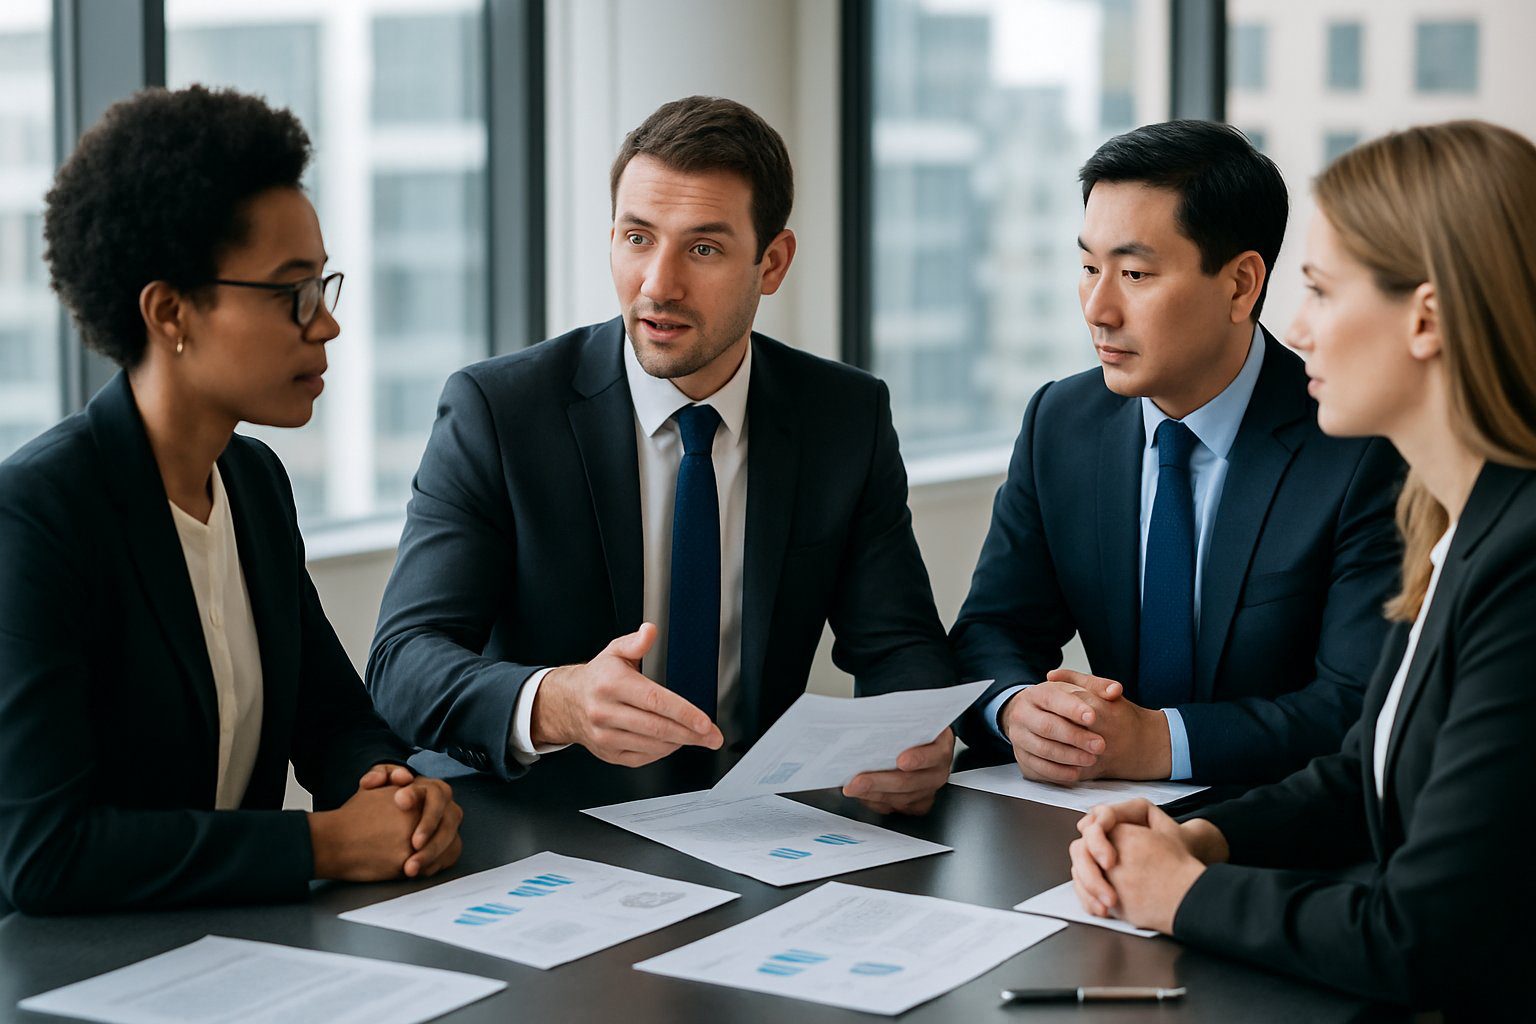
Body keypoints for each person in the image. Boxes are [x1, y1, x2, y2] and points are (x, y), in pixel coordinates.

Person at [367, 96, 956, 814]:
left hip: (749, 823)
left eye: (702, 249)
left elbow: (898, 644)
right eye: (637, 238)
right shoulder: (499, 411)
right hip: (543, 821)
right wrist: (558, 702)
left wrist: (916, 737)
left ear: (771, 263)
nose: (657, 285)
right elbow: (402, 662)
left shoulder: (843, 417)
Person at [1068, 120, 1536, 1015]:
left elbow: (1424, 935)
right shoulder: (1453, 522)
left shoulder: (1523, 566)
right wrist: (1198, 836)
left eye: (1320, 291)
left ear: (1426, 318)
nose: (1296, 327)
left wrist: (1182, 894)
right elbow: (1365, 769)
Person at [0, 85, 464, 915]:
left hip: (241, 955)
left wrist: (393, 791)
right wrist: (325, 843)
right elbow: (44, 854)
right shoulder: (39, 516)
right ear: (170, 312)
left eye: (325, 285)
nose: (325, 326)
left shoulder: (252, 483)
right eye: (293, 293)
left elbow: (333, 721)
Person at [950, 120, 1403, 785]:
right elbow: (991, 629)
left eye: (1134, 273)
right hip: (1085, 823)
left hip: (1279, 831)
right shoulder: (1061, 422)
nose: (1098, 309)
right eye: (1087, 267)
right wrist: (1020, 709)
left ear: (1242, 285)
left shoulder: (1358, 445)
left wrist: (1162, 743)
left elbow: (1355, 705)